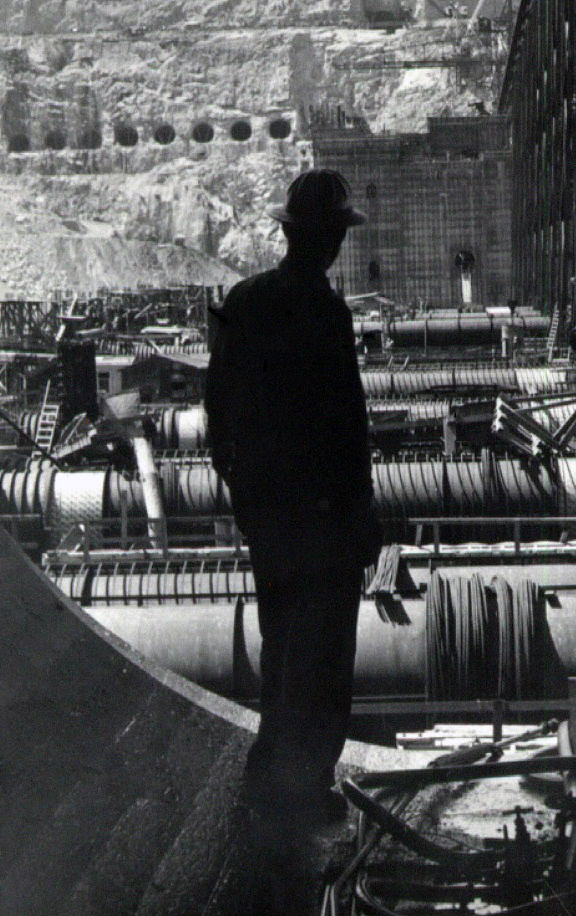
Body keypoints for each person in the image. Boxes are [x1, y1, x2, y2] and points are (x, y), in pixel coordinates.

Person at [204, 168, 383, 830]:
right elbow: (347, 427)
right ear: (328, 237)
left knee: (281, 645)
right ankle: (302, 790)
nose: (335, 246)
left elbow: (217, 408)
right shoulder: (326, 313)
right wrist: (362, 518)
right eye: (334, 234)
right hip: (326, 523)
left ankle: (271, 778)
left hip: (272, 519)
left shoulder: (244, 301)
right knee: (326, 656)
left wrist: (241, 489)